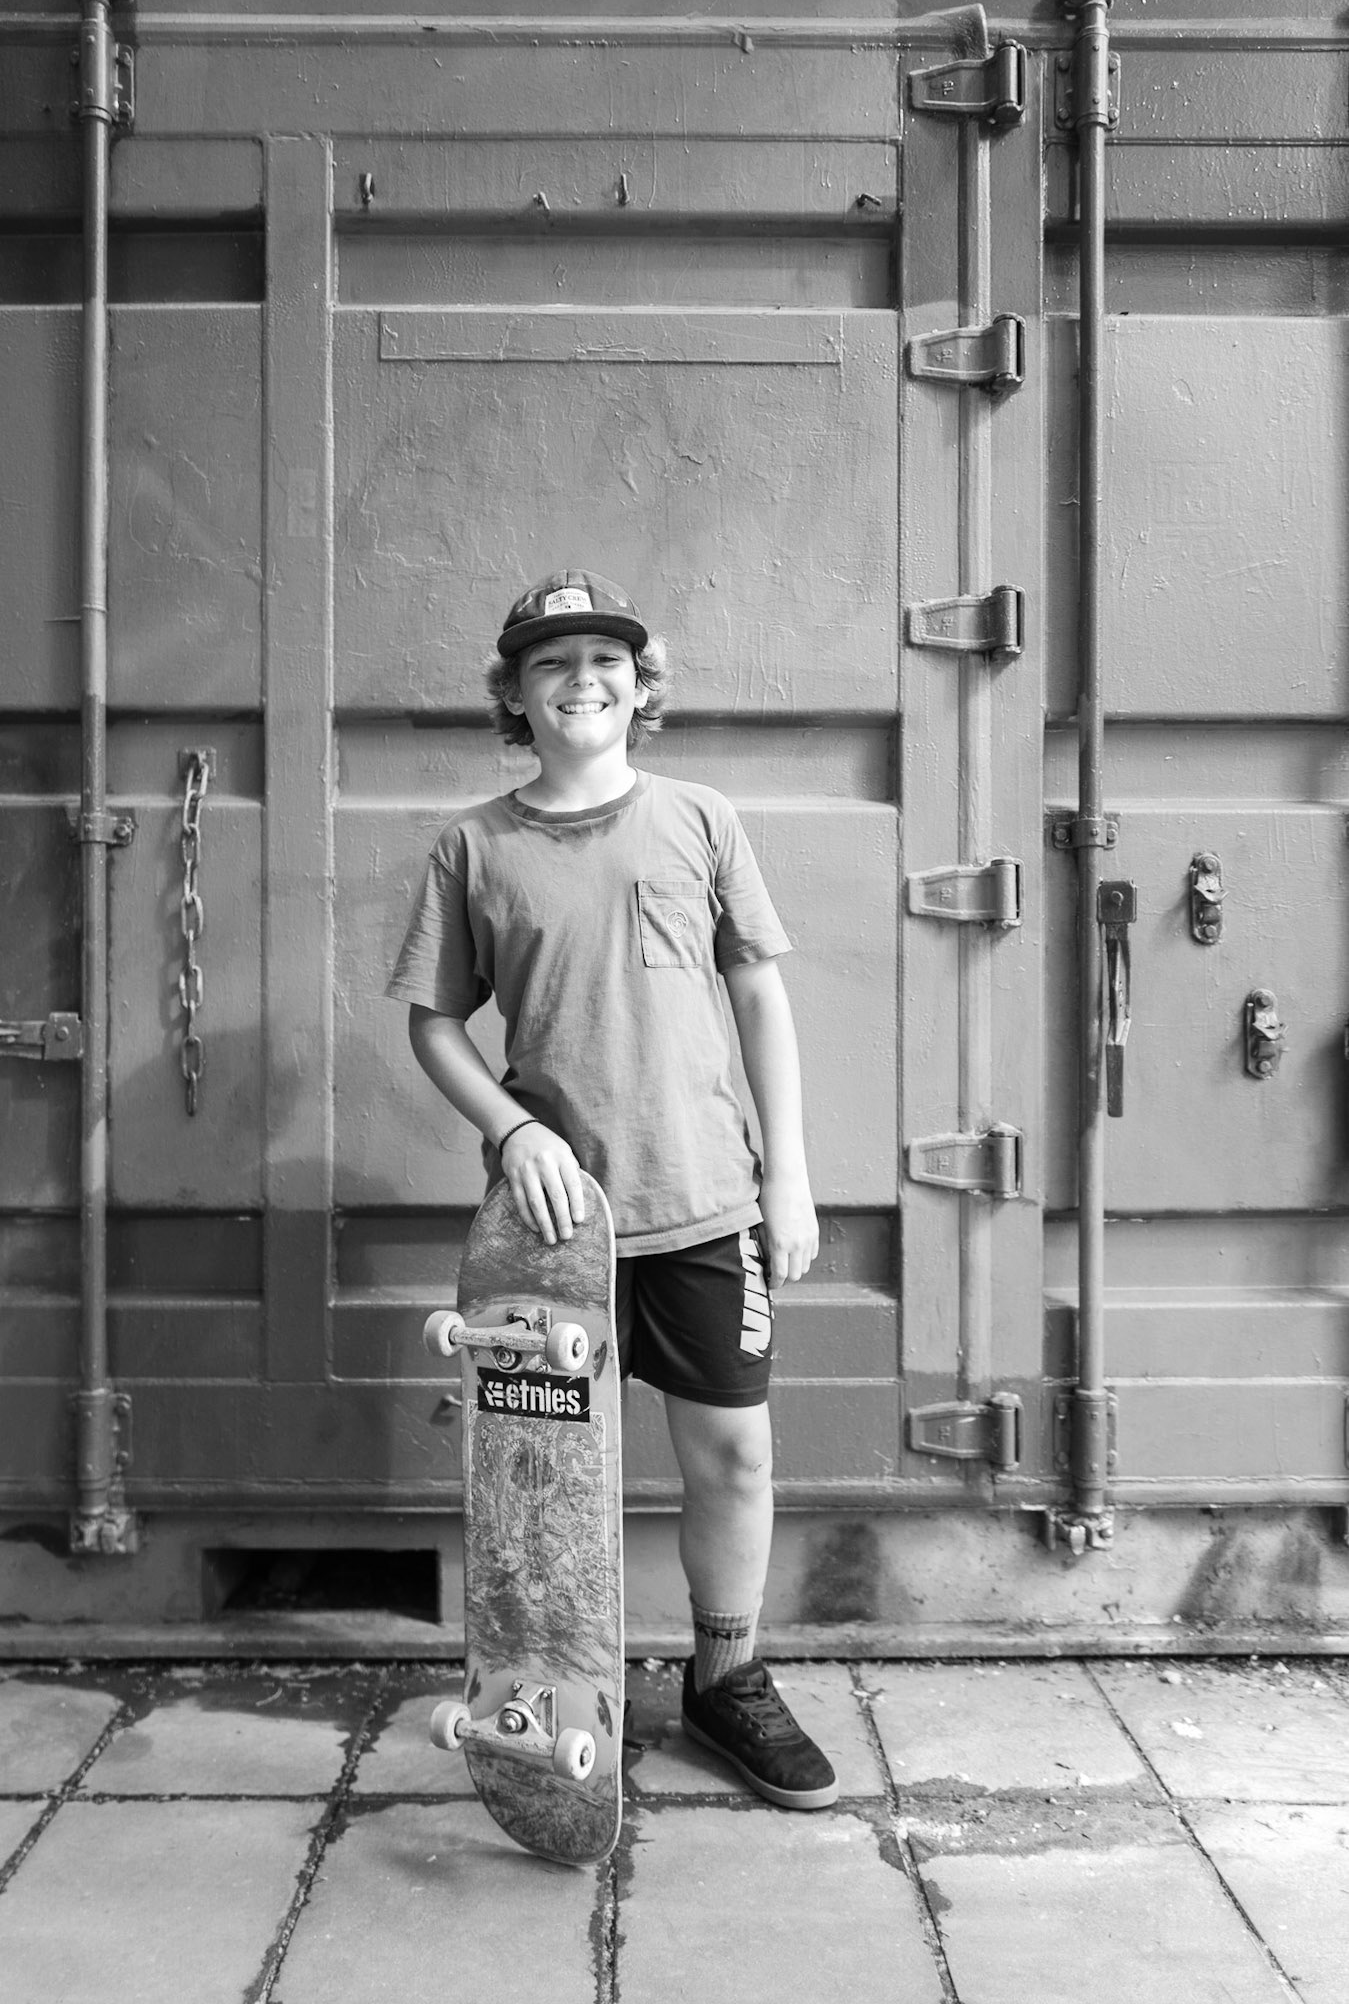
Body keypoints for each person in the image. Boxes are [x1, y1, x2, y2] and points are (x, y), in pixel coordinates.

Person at [387, 568, 836, 1810]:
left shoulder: (698, 817)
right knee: (547, 1479)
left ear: (640, 689)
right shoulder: (475, 846)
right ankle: (568, 1693)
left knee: (733, 1455)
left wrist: (787, 1179)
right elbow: (434, 1025)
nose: (582, 680)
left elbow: (760, 995)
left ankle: (726, 1677)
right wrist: (514, 1129)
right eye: (550, 663)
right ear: (514, 698)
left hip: (704, 1203)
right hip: (553, 1234)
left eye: (606, 661)